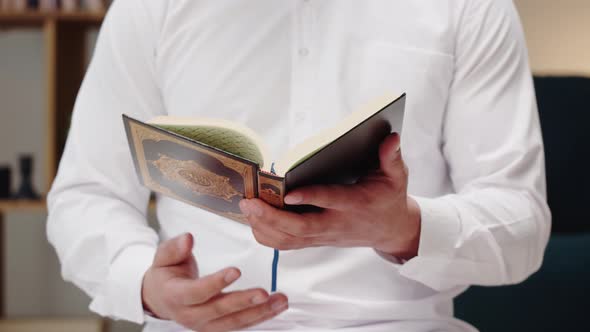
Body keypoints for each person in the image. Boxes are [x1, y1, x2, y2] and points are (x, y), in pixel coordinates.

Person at [47, 1, 551, 331]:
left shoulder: (468, 7)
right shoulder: (151, 8)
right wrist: (145, 285)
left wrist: (406, 228)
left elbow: (522, 222)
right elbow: (87, 196)